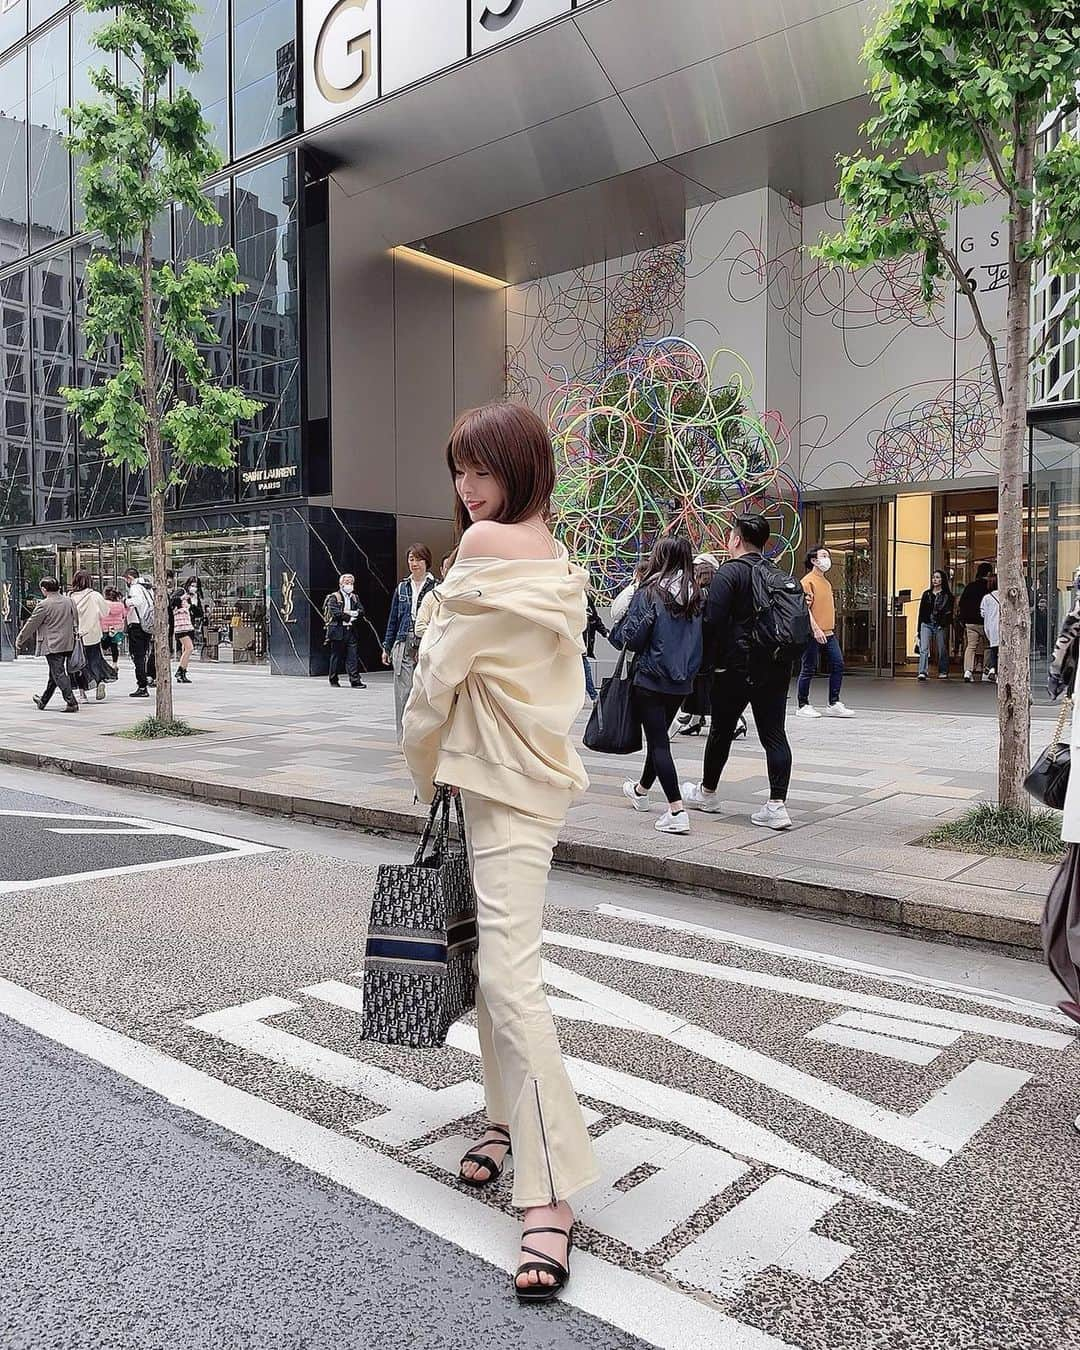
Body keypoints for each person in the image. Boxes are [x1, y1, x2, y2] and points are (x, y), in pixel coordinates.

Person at [403, 402, 598, 1304]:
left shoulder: (481, 552)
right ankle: (499, 1119)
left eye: (480, 470)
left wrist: (422, 762)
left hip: (499, 786)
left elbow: (435, 674)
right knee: (491, 966)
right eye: (458, 470)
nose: (464, 488)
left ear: (518, 467)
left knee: (511, 977)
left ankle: (553, 1191)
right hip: (533, 777)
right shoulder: (553, 548)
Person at [681, 514, 795, 830]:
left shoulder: (730, 572)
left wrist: (704, 663)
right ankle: (777, 805)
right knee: (774, 734)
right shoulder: (777, 572)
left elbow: (712, 621)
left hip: (735, 667)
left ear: (735, 539)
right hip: (775, 664)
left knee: (721, 730)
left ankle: (708, 793)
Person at [610, 536, 704, 834]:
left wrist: (617, 633)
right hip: (682, 677)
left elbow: (634, 636)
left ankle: (676, 810)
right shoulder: (696, 594)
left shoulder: (651, 591)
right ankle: (639, 790)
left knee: (659, 742)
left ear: (659, 558)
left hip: (651, 676)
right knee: (659, 737)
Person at [382, 545, 437, 740]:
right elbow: (393, 619)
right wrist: (386, 647)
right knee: (403, 692)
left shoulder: (436, 587)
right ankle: (404, 737)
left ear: (426, 562)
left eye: (418, 559)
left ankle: (424, 737)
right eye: (411, 559)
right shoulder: (402, 587)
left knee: (424, 691)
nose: (414, 564)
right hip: (403, 641)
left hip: (426, 642)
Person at [796, 545, 853, 718]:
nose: (827, 559)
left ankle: (834, 702)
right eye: (823, 555)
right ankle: (802, 704)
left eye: (827, 555)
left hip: (828, 632)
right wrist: (815, 629)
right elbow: (805, 610)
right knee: (808, 668)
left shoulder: (826, 582)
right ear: (814, 560)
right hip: (813, 633)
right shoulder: (807, 581)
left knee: (838, 664)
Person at [16, 577, 79, 713]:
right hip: (68, 643)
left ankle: (71, 701)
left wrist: (20, 640)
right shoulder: (69, 601)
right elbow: (76, 620)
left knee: (58, 673)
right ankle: (43, 701)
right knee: (54, 675)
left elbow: (31, 624)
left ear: (44, 590)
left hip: (52, 644)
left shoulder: (44, 605)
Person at [678, 553, 720, 735]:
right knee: (703, 684)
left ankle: (736, 723)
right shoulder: (719, 591)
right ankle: (695, 718)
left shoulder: (700, 594)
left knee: (703, 684)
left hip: (702, 645)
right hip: (712, 645)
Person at [68, 570, 114, 702]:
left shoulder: (70, 597)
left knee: (79, 664)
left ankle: (83, 695)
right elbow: (105, 612)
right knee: (95, 660)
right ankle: (99, 681)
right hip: (92, 634)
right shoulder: (95, 595)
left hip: (76, 636)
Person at [324, 573, 366, 688]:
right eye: (346, 582)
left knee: (352, 656)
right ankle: (333, 679)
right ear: (341, 584)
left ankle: (355, 680)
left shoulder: (354, 597)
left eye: (351, 582)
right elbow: (336, 613)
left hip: (351, 631)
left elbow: (361, 610)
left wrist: (354, 613)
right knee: (336, 656)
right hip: (338, 631)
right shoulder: (334, 597)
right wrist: (349, 616)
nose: (349, 585)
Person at [958, 561, 993, 683]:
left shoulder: (970, 586)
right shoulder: (990, 587)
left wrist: (963, 619)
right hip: (986, 622)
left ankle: (968, 671)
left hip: (970, 623)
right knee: (988, 646)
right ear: (989, 573)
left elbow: (962, 604)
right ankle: (986, 671)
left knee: (971, 646)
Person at [123, 567, 155, 698]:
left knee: (138, 657)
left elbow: (137, 601)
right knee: (143, 654)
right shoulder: (147, 588)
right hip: (147, 625)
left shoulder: (135, 588)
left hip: (137, 626)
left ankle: (142, 685)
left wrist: (126, 601)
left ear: (129, 578)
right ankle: (144, 679)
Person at [917, 569, 953, 681]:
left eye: (937, 577)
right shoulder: (927, 594)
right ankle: (922, 671)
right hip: (926, 623)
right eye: (933, 577)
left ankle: (943, 670)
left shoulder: (947, 595)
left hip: (940, 625)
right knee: (924, 648)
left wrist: (944, 623)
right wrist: (918, 629)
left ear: (942, 580)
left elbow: (949, 612)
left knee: (942, 648)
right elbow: (921, 611)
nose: (935, 580)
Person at [415, 550, 457, 639]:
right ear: (442, 571)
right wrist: (443, 635)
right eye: (448, 568)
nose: (451, 571)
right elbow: (419, 628)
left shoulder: (469, 596)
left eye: (455, 567)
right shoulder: (432, 596)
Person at [582, 588, 608, 703]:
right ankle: (594, 696)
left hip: (583, 644)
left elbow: (595, 619)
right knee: (585, 668)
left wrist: (605, 633)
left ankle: (593, 696)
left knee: (583, 668)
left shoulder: (587, 600)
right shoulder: (572, 600)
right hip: (575, 644)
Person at [980, 574, 1000, 682]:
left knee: (993, 649)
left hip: (991, 626)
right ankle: (996, 671)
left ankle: (992, 669)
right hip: (1002, 627)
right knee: (1001, 651)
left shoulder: (987, 598)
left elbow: (982, 613)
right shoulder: (1005, 597)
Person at [172, 589, 195, 684]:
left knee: (186, 650)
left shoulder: (186, 602)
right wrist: (184, 596)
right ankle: (180, 671)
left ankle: (183, 672)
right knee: (190, 648)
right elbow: (175, 601)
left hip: (188, 628)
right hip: (180, 629)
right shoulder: (176, 603)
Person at [101, 587, 127, 668]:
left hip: (104, 628)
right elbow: (124, 614)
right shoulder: (120, 605)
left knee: (103, 646)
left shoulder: (103, 604)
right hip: (116, 629)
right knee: (114, 646)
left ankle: (102, 662)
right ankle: (115, 664)